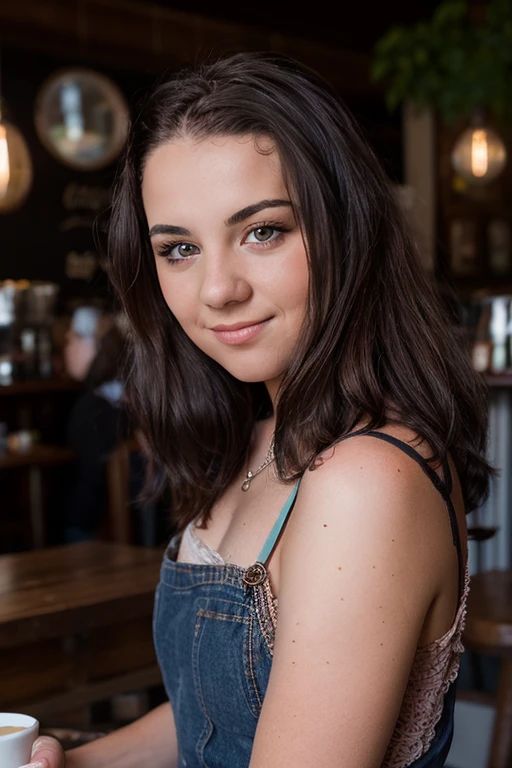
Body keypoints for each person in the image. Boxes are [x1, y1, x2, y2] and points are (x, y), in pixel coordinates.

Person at [30, 52, 492, 768]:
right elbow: (219, 712)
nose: (217, 289)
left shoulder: (365, 480)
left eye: (263, 231)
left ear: (346, 227)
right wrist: (78, 763)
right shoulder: (257, 439)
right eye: (179, 248)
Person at [60, 306, 128, 542]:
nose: (67, 346)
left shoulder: (92, 407)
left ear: (97, 348)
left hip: (92, 534)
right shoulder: (131, 397)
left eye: (75, 338)